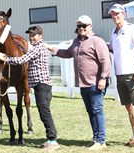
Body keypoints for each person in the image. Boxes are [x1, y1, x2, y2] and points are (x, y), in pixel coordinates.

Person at [45, 15, 111, 150]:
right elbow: (67, 53)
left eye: (84, 26)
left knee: (97, 110)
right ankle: (96, 138)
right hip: (83, 83)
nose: (81, 28)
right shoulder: (76, 41)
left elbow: (105, 61)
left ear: (90, 26)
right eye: (79, 26)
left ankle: (101, 140)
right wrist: (52, 49)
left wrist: (103, 78)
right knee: (91, 111)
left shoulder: (97, 41)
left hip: (95, 82)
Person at [0, 26, 60, 151]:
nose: (31, 37)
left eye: (34, 35)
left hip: (42, 85)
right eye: (30, 35)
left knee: (45, 112)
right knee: (43, 112)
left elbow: (21, 59)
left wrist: (4, 57)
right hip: (39, 84)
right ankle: (50, 139)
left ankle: (53, 140)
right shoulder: (38, 47)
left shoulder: (38, 48)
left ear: (40, 36)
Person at [108, 4, 134, 151]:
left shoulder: (131, 28)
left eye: (117, 13)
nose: (114, 16)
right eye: (112, 14)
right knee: (129, 108)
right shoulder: (113, 31)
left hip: (133, 74)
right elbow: (111, 48)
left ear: (124, 14)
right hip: (119, 75)